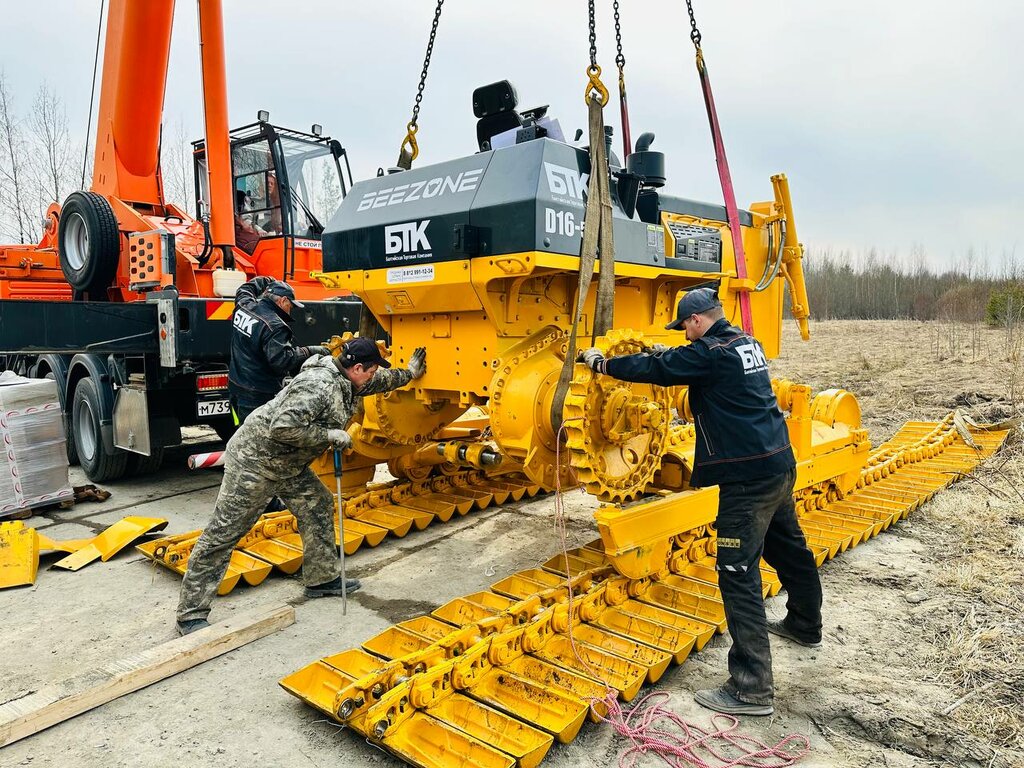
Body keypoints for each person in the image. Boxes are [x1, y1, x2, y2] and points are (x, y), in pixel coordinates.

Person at [578, 287, 822, 717]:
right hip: (779, 465)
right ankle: (806, 624)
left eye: (684, 329)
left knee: (737, 572)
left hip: (745, 480)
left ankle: (751, 689)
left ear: (695, 321)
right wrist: (664, 351)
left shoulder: (708, 354)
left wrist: (605, 363)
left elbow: (660, 368)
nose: (684, 335)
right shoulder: (746, 343)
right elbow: (683, 358)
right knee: (791, 549)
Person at [176, 338, 427, 635]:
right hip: (255, 463)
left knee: (318, 505)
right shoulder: (318, 387)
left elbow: (380, 381)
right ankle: (190, 613)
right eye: (371, 370)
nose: (373, 375)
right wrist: (329, 436)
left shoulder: (350, 379)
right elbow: (281, 427)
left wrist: (409, 373)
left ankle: (322, 579)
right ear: (357, 368)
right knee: (223, 533)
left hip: (288, 465)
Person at [227, 277, 329, 426]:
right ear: (283, 301)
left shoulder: (244, 305)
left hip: (236, 386)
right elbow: (282, 361)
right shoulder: (275, 326)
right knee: (257, 438)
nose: (290, 310)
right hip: (257, 396)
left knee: (239, 432)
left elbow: (245, 288)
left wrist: (267, 279)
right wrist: (310, 351)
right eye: (291, 306)